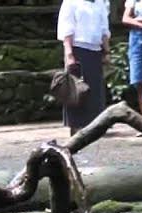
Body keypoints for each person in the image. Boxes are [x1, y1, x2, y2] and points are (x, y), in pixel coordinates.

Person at [57, 0, 111, 135]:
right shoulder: (71, 2)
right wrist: (69, 55)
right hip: (78, 49)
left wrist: (107, 51)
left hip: (95, 50)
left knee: (95, 89)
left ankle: (95, 125)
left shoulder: (100, 3)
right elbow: (67, 29)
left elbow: (104, 29)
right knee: (76, 90)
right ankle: (75, 126)